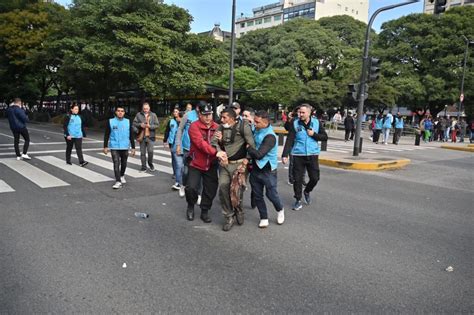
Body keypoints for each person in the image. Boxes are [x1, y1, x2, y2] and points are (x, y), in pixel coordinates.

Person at [212, 108, 256, 231]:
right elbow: (213, 142)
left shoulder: (243, 127)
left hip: (240, 164)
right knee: (223, 187)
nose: (222, 120)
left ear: (232, 118)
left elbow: (251, 144)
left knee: (237, 191)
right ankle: (228, 216)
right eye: (221, 117)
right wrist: (220, 152)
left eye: (224, 117)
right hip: (225, 165)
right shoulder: (220, 128)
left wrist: (246, 161)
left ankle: (239, 210)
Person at [282, 104, 328, 211]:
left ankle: (307, 191)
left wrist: (314, 134)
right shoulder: (295, 122)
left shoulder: (317, 122)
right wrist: (285, 155)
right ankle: (298, 200)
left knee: (315, 178)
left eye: (302, 112)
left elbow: (324, 137)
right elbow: (290, 139)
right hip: (298, 155)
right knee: (297, 179)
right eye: (299, 112)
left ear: (309, 113)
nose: (300, 114)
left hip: (312, 154)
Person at [185, 103, 221, 223]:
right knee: (191, 188)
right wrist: (216, 153)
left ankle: (204, 210)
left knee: (210, 189)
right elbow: (200, 143)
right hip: (196, 162)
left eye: (209, 114)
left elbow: (223, 144)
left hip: (211, 164)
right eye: (204, 115)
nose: (207, 117)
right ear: (199, 114)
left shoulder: (217, 127)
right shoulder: (194, 126)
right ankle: (191, 205)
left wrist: (222, 140)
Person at [247, 110, 285, 228]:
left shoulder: (270, 137)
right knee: (258, 195)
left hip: (268, 170)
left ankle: (280, 210)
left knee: (271, 194)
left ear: (265, 122)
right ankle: (264, 217)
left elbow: (259, 154)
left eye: (257, 122)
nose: (255, 124)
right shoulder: (256, 129)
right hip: (255, 169)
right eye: (254, 121)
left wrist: (248, 148)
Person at [103, 106, 136, 189]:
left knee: (124, 163)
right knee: (116, 163)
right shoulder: (110, 121)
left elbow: (131, 135)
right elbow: (106, 134)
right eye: (118, 111)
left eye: (122, 111)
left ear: (124, 113)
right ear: (116, 112)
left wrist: (133, 147)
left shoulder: (128, 122)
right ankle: (118, 181)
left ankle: (122, 175)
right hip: (114, 146)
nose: (120, 112)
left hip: (125, 146)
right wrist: (105, 146)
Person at [163, 107, 185, 197]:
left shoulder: (187, 125)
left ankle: (182, 181)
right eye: (175, 112)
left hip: (185, 147)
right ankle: (178, 180)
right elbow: (167, 131)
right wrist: (165, 140)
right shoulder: (171, 121)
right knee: (177, 164)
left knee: (182, 165)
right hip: (174, 144)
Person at [133, 102, 159, 172]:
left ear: (149, 108)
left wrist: (150, 126)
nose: (145, 110)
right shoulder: (138, 115)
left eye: (147, 108)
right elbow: (134, 123)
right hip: (142, 136)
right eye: (144, 109)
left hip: (150, 137)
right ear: (142, 108)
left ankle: (150, 164)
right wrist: (140, 125)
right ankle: (143, 167)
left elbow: (157, 125)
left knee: (150, 152)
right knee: (142, 153)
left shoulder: (153, 115)